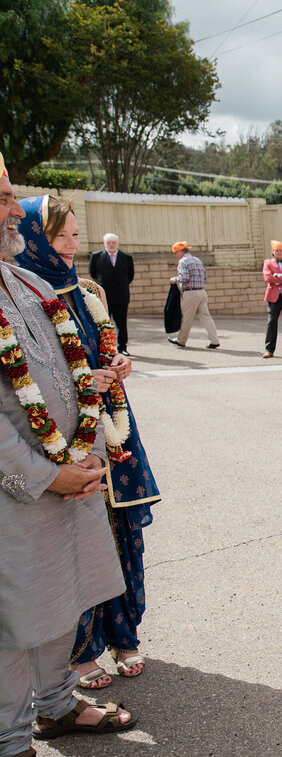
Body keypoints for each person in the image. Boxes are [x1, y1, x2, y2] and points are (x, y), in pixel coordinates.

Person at [0, 158, 138, 757]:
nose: (14, 209)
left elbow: (70, 370)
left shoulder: (27, 284)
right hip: (16, 492)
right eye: (2, 198)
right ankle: (7, 749)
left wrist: (89, 428)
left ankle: (56, 703)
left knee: (65, 593)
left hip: (70, 475)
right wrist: (42, 475)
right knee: (12, 615)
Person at [15, 194, 162, 693]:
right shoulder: (24, 298)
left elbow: (105, 346)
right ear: (37, 241)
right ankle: (78, 655)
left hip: (112, 432)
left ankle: (124, 634)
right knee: (75, 540)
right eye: (63, 237)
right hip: (63, 442)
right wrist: (85, 383)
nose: (73, 246)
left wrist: (120, 364)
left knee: (121, 533)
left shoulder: (90, 289)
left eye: (78, 235)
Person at [87, 233, 134, 355]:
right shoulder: (96, 256)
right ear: (104, 244)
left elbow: (130, 276)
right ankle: (104, 349)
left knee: (121, 324)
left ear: (117, 243)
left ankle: (122, 347)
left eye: (113, 242)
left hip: (121, 296)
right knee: (102, 323)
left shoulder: (126, 258)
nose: (111, 245)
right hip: (103, 296)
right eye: (109, 242)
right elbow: (93, 273)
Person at [167, 242, 220, 349]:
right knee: (206, 317)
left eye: (176, 253)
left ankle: (181, 340)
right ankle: (214, 340)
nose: (176, 255)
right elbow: (205, 277)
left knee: (186, 318)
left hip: (190, 293)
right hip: (202, 292)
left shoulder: (183, 262)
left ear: (180, 252)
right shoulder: (197, 260)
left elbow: (184, 277)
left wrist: (174, 279)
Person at [261, 240, 282, 358]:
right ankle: (269, 349)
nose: (279, 252)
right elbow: (268, 277)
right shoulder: (268, 262)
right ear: (273, 252)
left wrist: (277, 276)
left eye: (281, 250)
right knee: (271, 322)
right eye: (276, 250)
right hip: (274, 297)